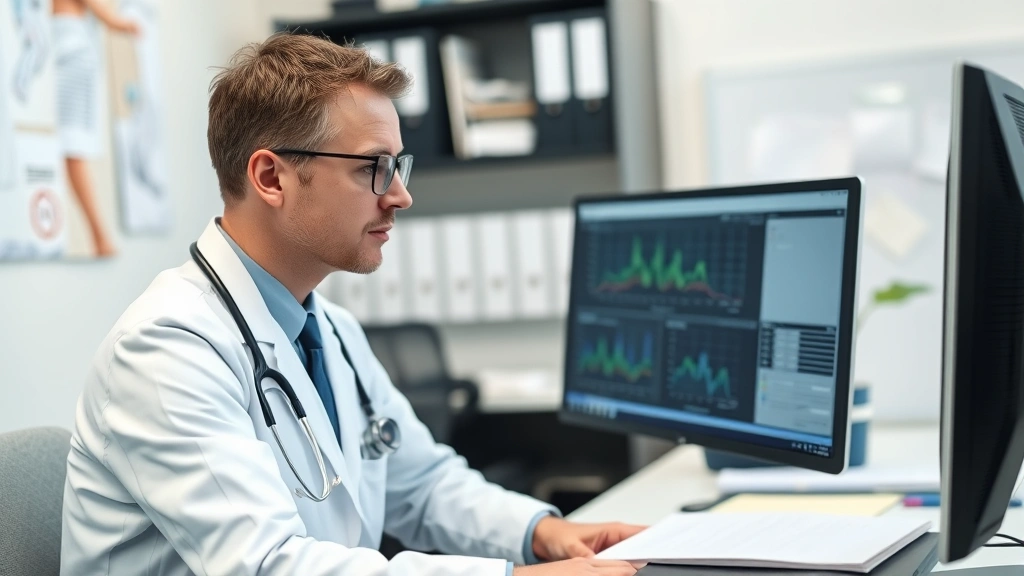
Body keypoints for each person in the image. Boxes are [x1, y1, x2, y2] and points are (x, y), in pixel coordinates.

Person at [60, 32, 645, 576]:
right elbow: (268, 565)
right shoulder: (165, 350)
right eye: (374, 167)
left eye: (398, 165)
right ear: (271, 177)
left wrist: (545, 533)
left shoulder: (326, 327)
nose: (401, 195)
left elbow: (422, 484)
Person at [51, 0, 138, 257]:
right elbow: (109, 18)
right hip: (69, 51)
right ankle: (99, 237)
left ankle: (99, 236)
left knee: (71, 148)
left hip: (65, 49)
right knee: (73, 147)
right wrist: (126, 24)